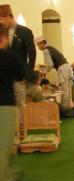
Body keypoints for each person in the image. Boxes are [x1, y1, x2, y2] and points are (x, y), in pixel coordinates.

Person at [0, 24, 26, 181]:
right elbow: (20, 75)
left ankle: (10, 176)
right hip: (4, 106)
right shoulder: (9, 56)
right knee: (2, 150)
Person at [0, 4, 36, 132]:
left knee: (20, 105)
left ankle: (21, 132)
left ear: (9, 16)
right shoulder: (1, 33)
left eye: (2, 19)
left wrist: (28, 73)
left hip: (19, 76)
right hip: (4, 79)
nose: (1, 22)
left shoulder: (24, 31)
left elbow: (32, 53)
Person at [34, 36, 74, 110]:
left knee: (64, 90)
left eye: (38, 45)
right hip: (67, 67)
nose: (38, 47)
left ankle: (64, 109)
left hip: (62, 68)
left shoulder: (46, 50)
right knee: (68, 90)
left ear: (42, 43)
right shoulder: (51, 47)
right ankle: (68, 107)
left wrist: (44, 72)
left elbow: (50, 64)